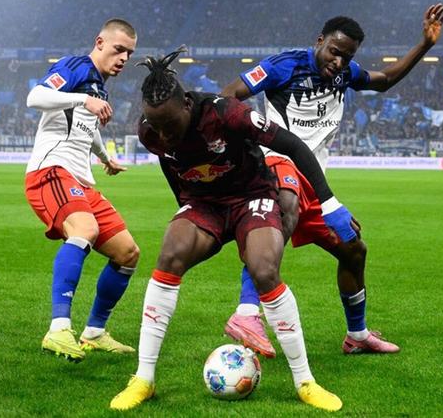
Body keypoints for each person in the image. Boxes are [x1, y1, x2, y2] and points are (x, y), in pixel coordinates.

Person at [110, 48, 344, 411]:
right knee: (170, 254)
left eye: (170, 125)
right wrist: (186, 210)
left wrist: (328, 202)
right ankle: (144, 379)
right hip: (205, 204)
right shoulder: (150, 132)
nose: (164, 135)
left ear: (187, 105)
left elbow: (292, 145)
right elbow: (173, 171)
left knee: (264, 269)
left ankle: (305, 381)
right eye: (156, 126)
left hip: (251, 195)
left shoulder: (226, 113)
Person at [217, 6, 443, 357]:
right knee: (285, 209)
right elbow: (228, 96)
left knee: (354, 251)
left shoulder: (345, 73)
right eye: (335, 52)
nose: (339, 62)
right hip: (278, 164)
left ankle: (357, 335)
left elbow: (383, 80)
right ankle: (247, 312)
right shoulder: (283, 65)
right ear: (320, 41)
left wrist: (425, 45)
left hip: (315, 179)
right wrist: (249, 140)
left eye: (347, 56)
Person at [25, 18, 140, 361]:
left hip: (81, 179)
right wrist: (81, 100)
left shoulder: (99, 87)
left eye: (129, 54)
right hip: (51, 171)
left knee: (128, 253)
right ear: (100, 42)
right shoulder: (75, 67)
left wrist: (105, 158)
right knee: (85, 230)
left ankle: (94, 331)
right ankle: (58, 330)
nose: (123, 58)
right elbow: (35, 97)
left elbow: (87, 129)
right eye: (119, 49)